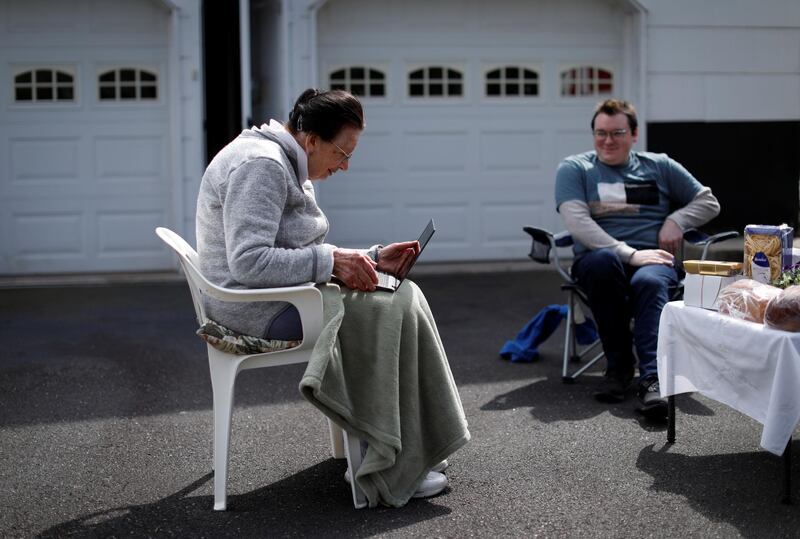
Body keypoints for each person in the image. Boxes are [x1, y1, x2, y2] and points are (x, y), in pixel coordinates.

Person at [195, 88, 469, 507]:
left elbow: (295, 248)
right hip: (255, 309)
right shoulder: (262, 166)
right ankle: (381, 467)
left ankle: (411, 448)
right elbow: (248, 262)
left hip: (281, 296)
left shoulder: (284, 158)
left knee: (402, 296)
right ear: (311, 140)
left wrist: (371, 258)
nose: (344, 167)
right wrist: (335, 262)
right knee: (387, 311)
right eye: (342, 153)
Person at [554, 99, 720, 419]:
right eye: (600, 133)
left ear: (634, 134)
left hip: (654, 260)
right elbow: (578, 223)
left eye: (617, 132)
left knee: (648, 280)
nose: (608, 140)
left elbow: (708, 201)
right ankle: (617, 367)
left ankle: (651, 379)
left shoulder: (659, 165)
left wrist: (677, 220)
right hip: (600, 261)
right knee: (602, 262)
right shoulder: (575, 168)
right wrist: (630, 254)